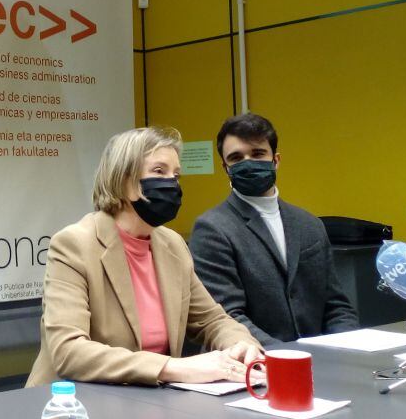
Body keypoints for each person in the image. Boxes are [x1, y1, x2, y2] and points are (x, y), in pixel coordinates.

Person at [27, 126, 263, 388]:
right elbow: (68, 351)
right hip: (73, 407)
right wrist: (172, 367)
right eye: (159, 171)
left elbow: (212, 320)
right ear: (123, 179)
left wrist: (241, 344)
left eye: (176, 175)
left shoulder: (172, 244)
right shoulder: (73, 245)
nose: (172, 184)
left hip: (150, 403)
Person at [190, 112, 358, 346]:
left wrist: (346, 349)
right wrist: (286, 358)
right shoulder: (212, 228)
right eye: (236, 158)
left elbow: (337, 306)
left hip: (324, 362)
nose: (248, 162)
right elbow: (227, 316)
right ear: (225, 168)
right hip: (259, 364)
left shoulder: (310, 224)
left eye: (258, 154)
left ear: (276, 160)